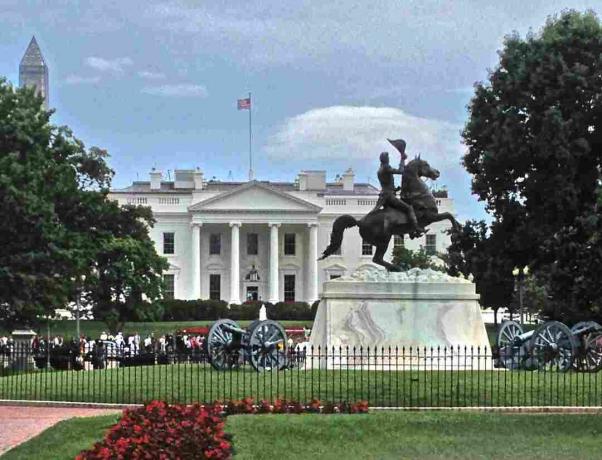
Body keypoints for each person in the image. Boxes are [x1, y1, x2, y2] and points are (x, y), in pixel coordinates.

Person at [369, 139, 424, 236]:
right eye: (388, 157)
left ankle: (402, 230)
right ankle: (416, 229)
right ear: (386, 159)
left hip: (384, 195)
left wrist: (395, 189)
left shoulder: (380, 169)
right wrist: (402, 159)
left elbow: (386, 184)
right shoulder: (386, 168)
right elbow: (400, 171)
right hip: (389, 197)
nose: (389, 159)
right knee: (409, 208)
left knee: (398, 212)